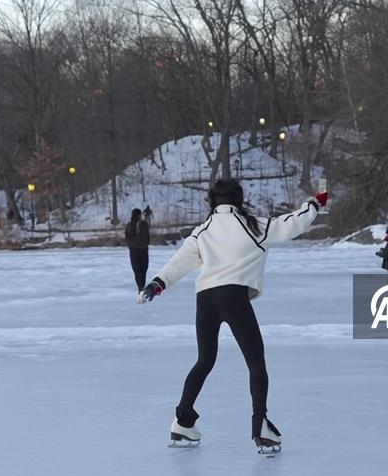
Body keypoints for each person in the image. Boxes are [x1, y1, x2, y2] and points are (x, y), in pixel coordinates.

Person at [138, 178, 328, 451]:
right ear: (238, 199)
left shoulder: (202, 231)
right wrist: (314, 203)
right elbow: (292, 224)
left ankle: (182, 422)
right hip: (233, 296)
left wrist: (157, 283)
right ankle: (261, 427)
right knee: (255, 362)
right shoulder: (254, 225)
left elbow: (180, 261)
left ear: (212, 201)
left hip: (205, 298)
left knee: (204, 360)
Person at [124, 208, 151, 292]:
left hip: (133, 251)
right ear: (139, 215)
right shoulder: (145, 224)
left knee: (137, 271)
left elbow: (127, 238)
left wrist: (132, 246)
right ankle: (142, 287)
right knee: (143, 271)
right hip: (143, 250)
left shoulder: (128, 226)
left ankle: (140, 289)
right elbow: (147, 237)